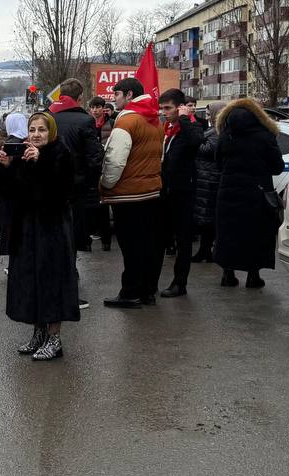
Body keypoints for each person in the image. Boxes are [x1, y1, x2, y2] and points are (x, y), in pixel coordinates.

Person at [0, 112, 78, 360]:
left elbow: (60, 192)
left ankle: (54, 338)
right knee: (31, 281)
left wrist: (41, 161)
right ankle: (39, 334)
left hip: (52, 229)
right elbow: (11, 192)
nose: (36, 135)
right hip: (28, 229)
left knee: (52, 281)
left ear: (51, 131)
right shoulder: (24, 154)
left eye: (42, 130)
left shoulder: (61, 153)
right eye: (32, 130)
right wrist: (6, 168)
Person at [99, 78, 164, 309]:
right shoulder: (155, 119)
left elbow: (115, 161)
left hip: (127, 195)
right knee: (149, 245)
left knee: (131, 247)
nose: (113, 99)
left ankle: (130, 293)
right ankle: (148, 291)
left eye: (116, 94)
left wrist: (105, 185)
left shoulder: (126, 120)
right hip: (151, 192)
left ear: (128, 95)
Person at [214, 97, 285, 289]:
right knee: (256, 233)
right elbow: (277, 167)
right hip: (257, 192)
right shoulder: (265, 135)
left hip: (228, 191)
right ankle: (253, 276)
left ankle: (227, 274)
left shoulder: (225, 135)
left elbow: (218, 163)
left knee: (228, 232)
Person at [48, 79, 103, 308]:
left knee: (51, 236)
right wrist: (89, 183)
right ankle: (68, 286)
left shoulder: (47, 118)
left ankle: (54, 283)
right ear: (80, 97)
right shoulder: (85, 120)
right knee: (70, 237)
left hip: (48, 189)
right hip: (75, 189)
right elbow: (95, 157)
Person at [157, 89, 203, 298]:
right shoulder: (169, 128)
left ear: (180, 107)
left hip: (184, 190)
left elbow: (196, 141)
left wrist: (185, 118)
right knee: (163, 236)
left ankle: (180, 282)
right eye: (162, 108)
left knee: (183, 239)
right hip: (167, 189)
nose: (164, 112)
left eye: (167, 108)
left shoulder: (190, 125)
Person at [192, 101, 227, 263]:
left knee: (209, 218)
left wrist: (195, 141)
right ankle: (205, 250)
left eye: (208, 114)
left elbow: (208, 150)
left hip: (211, 179)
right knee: (206, 218)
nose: (206, 117)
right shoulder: (213, 130)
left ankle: (208, 251)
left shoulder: (218, 131)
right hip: (206, 177)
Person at [0, 112, 29, 266]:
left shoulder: (10, 143)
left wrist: (4, 166)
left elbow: (3, 182)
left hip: (13, 201)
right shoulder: (28, 142)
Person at [86, 96, 114, 252]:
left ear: (103, 108)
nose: (95, 110)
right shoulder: (87, 123)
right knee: (91, 204)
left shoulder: (111, 123)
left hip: (107, 166)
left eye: (98, 107)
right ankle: (89, 236)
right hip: (92, 168)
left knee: (104, 204)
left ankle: (106, 239)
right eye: (93, 107)